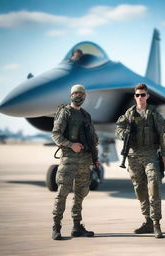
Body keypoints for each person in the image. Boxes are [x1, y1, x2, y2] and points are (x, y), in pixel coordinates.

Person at [115, 83, 165, 238]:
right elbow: (118, 129)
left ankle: (157, 223)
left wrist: (164, 156)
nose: (140, 97)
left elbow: (163, 136)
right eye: (137, 95)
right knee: (140, 189)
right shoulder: (129, 114)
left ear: (147, 96)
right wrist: (125, 134)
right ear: (134, 97)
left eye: (143, 95)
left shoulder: (154, 114)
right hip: (133, 157)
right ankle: (148, 222)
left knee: (154, 187)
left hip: (151, 154)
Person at [51, 84, 99, 240]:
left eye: (81, 94)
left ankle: (77, 226)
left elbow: (92, 140)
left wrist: (95, 159)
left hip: (85, 161)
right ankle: (56, 227)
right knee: (62, 193)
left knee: (80, 194)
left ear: (84, 96)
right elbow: (56, 135)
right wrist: (71, 145)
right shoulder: (65, 113)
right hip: (69, 159)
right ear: (71, 95)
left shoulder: (86, 115)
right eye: (75, 93)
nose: (78, 96)